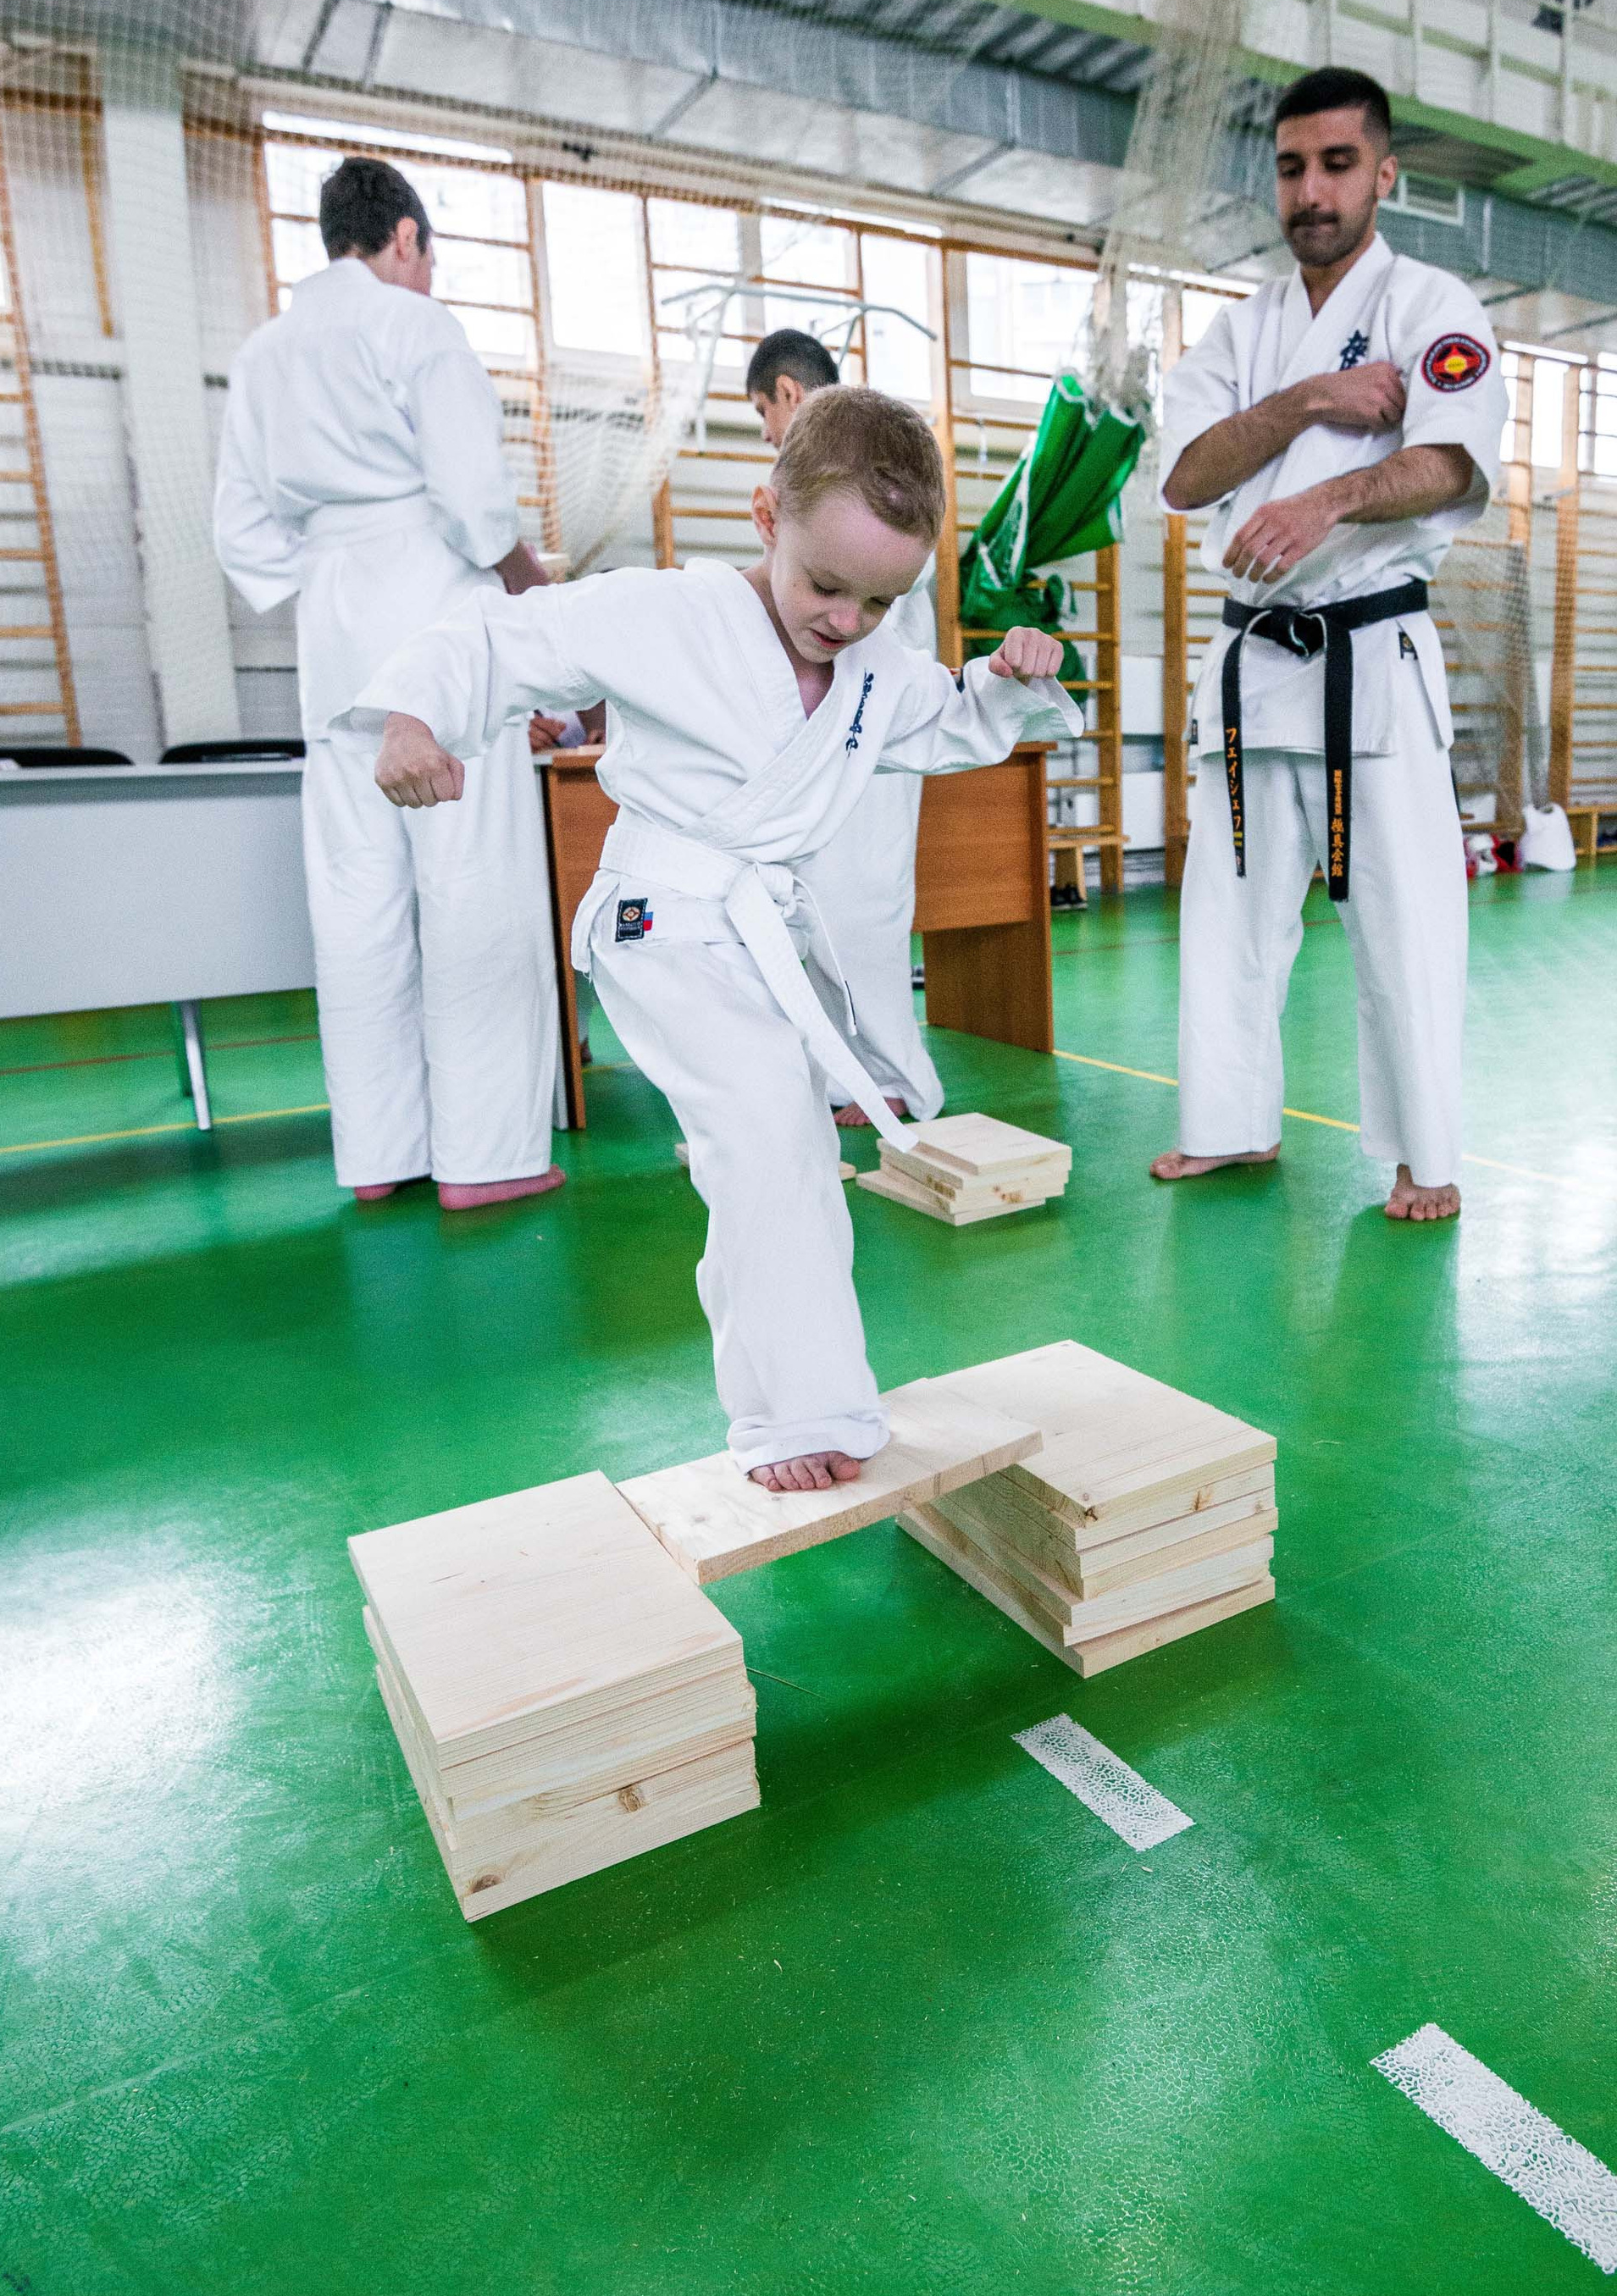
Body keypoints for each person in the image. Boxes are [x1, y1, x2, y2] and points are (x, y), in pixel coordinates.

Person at [343, 387, 1079, 1491]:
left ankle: (813, 1400)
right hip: (662, 919)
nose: (846, 619)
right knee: (767, 1127)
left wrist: (1015, 678)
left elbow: (953, 715)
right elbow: (502, 638)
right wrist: (412, 719)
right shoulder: (668, 613)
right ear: (764, 513)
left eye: (880, 599)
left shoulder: (874, 666)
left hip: (753, 929)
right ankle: (791, 1420)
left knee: (783, 1149)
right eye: (826, 584)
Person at [1150, 66, 1506, 1224]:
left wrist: (1326, 501)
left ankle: (1426, 1152)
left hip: (1371, 654)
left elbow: (1450, 460)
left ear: (1384, 172)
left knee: (1401, 916)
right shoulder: (1242, 329)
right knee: (1227, 911)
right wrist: (1308, 398)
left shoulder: (1432, 304)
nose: (1312, 189)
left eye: (1338, 163)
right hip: (1252, 664)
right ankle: (1227, 1126)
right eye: (1293, 166)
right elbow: (1186, 471)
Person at [214, 158, 562, 1213]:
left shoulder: (262, 355)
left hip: (332, 651)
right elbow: (475, 510)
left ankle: (378, 1154)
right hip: (439, 640)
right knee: (472, 889)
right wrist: (535, 597)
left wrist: (332, 567)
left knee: (356, 908)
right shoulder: (419, 328)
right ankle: (487, 1158)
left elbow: (239, 534)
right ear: (405, 237)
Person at [746, 329, 944, 1131]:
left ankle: (888, 1078)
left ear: (789, 392)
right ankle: (842, 1073)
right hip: (819, 726)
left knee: (863, 899)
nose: (765, 431)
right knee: (821, 901)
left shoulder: (883, 463)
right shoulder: (807, 492)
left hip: (876, 719)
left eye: (764, 409)